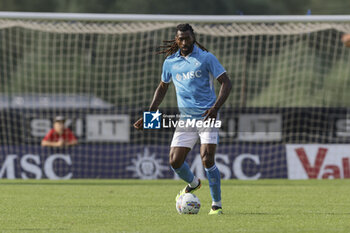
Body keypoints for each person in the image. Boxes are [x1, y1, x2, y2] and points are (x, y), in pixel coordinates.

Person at [134, 24, 232, 215]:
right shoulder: (170, 62)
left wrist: (215, 108)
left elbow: (226, 83)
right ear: (176, 40)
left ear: (193, 37)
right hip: (186, 118)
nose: (185, 42)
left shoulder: (206, 58)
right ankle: (194, 183)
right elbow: (162, 88)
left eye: (188, 38)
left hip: (207, 116)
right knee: (174, 161)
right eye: (181, 39)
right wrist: (149, 116)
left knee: (207, 159)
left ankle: (216, 205)